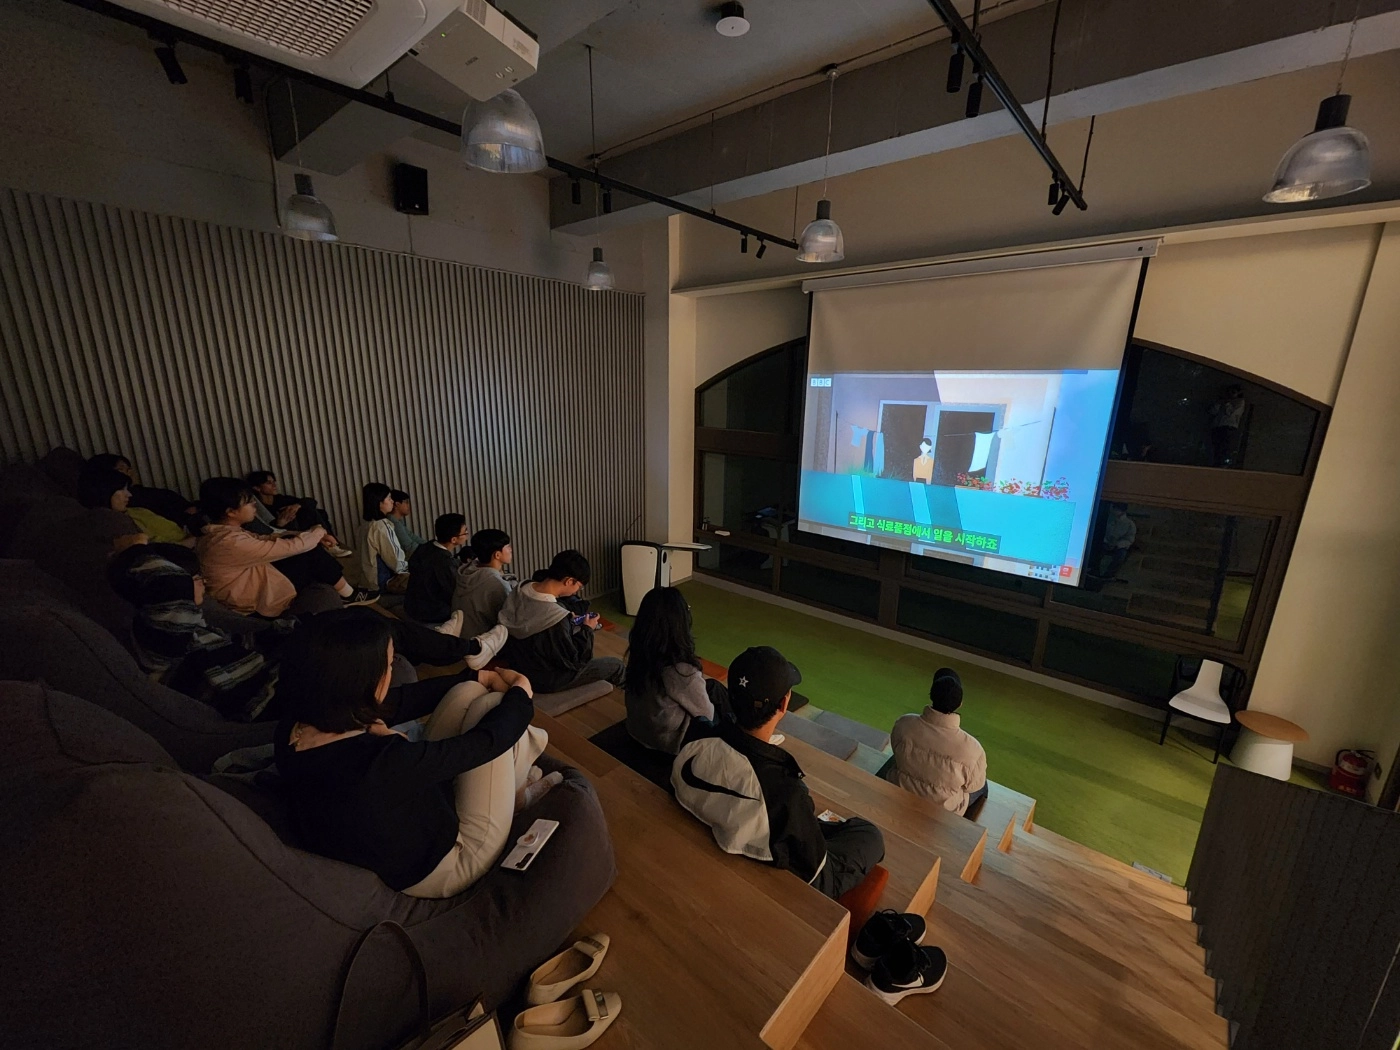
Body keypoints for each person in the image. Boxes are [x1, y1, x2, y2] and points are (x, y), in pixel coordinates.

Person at [273, 610, 560, 897]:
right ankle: (516, 794)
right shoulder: (378, 762)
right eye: (389, 665)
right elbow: (483, 744)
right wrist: (522, 694)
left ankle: (517, 767)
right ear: (363, 681)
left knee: (468, 691)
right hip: (448, 863)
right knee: (494, 705)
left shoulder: (298, 724)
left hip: (409, 820)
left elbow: (398, 702)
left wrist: (476, 676)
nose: (392, 671)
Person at [672, 646, 885, 901]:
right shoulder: (785, 789)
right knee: (869, 834)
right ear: (784, 704)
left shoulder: (697, 734)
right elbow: (817, 874)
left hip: (716, 825)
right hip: (758, 868)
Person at [107, 543, 288, 721]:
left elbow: (238, 643)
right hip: (262, 699)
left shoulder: (194, 626)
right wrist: (134, 547)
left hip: (275, 676)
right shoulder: (160, 633)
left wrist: (282, 630)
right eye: (196, 578)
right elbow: (172, 585)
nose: (204, 582)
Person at [195, 477, 377, 617]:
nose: (254, 504)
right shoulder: (227, 543)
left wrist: (312, 533)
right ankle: (348, 594)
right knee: (307, 551)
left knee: (302, 541)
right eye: (248, 502)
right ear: (231, 512)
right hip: (253, 604)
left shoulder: (222, 534)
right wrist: (318, 532)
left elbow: (267, 538)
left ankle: (343, 592)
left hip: (258, 583)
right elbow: (287, 547)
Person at [497, 550, 625, 693]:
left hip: (517, 665)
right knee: (616, 665)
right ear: (569, 581)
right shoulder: (555, 617)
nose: (577, 591)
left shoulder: (522, 588)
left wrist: (567, 620)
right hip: (545, 679)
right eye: (579, 587)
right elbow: (575, 661)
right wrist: (587, 629)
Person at [624, 586, 729, 754]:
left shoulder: (639, 654)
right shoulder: (682, 671)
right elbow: (707, 715)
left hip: (637, 731)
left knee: (714, 688)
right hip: (667, 745)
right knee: (723, 715)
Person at [882, 667, 988, 817]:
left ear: (931, 695)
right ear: (960, 703)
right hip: (944, 810)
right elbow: (974, 786)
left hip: (901, 789)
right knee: (983, 786)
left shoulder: (904, 723)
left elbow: (895, 747)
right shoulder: (972, 749)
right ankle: (962, 827)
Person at [243, 470, 350, 556]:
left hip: (298, 526)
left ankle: (329, 543)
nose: (274, 485)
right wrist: (279, 524)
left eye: (274, 481)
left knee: (313, 511)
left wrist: (297, 505)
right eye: (268, 483)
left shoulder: (280, 499)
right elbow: (266, 529)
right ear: (257, 488)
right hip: (282, 533)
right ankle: (329, 544)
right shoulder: (257, 508)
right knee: (311, 513)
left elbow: (311, 501)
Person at [86, 452, 195, 527]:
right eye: (122, 470)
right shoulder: (129, 507)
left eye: (129, 469)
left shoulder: (139, 502)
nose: (130, 473)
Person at [405, 513, 469, 630]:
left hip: (412, 605)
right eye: (465, 532)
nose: (467, 535)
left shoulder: (425, 547)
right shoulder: (444, 563)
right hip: (432, 613)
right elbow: (453, 592)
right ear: (453, 539)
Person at [454, 528, 516, 637]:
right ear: (497, 555)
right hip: (483, 640)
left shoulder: (467, 572)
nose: (511, 549)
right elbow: (507, 621)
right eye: (507, 546)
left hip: (460, 635)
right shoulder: (496, 584)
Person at [355, 483, 410, 593]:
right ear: (379, 502)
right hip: (383, 582)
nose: (392, 501)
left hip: (366, 582)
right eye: (389, 498)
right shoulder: (381, 526)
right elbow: (395, 558)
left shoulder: (364, 526)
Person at [1098, 502, 1136, 580]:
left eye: (1116, 509)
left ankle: (1109, 574)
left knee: (1121, 555)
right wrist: (1106, 541)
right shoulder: (1108, 519)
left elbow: (1129, 539)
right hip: (1105, 542)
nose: (1114, 511)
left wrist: (1118, 545)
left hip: (1119, 546)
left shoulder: (1130, 524)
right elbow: (1102, 531)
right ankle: (1094, 569)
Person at [389, 489, 426, 558]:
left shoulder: (398, 521)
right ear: (397, 504)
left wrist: (429, 545)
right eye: (406, 502)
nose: (408, 506)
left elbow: (411, 536)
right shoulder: (393, 522)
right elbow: (409, 546)